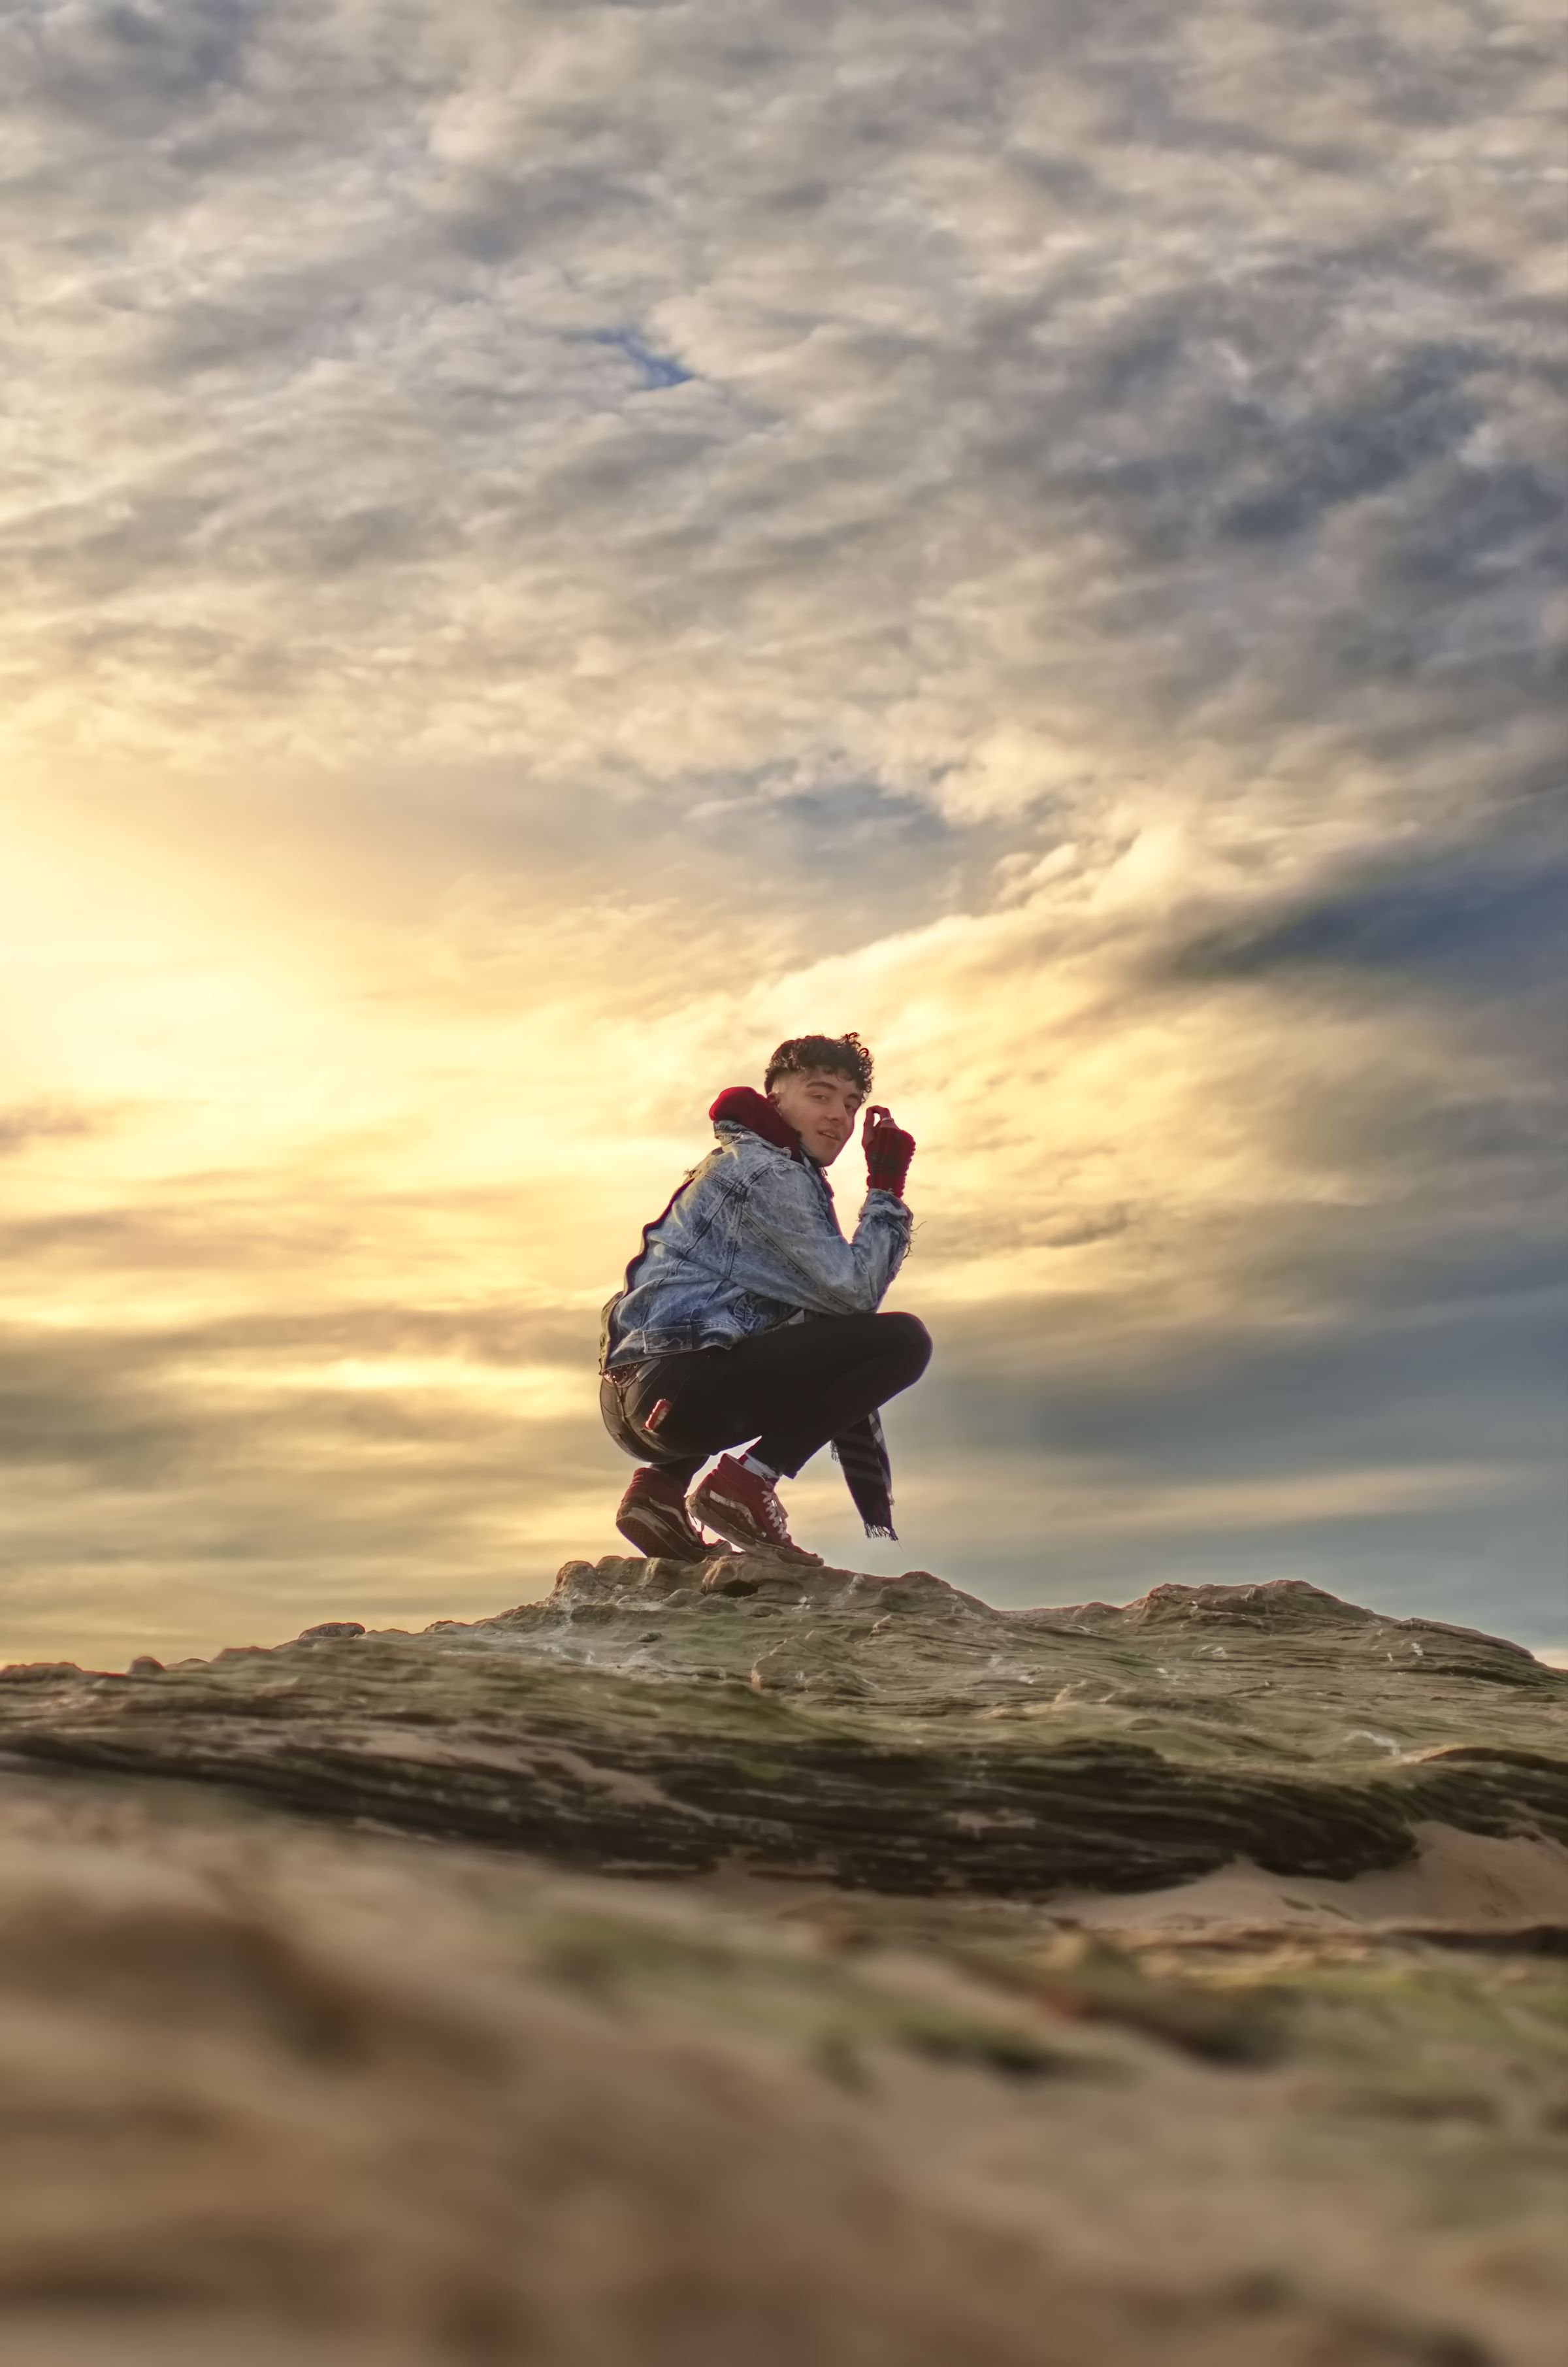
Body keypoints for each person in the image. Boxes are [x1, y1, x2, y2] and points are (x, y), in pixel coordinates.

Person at [598, 1032, 930, 1563]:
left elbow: (819, 1316)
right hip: (676, 1390)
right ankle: (747, 1486)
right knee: (902, 1342)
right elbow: (853, 1295)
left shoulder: (757, 1163)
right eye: (819, 1095)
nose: (838, 1118)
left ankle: (660, 1493)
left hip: (641, 1401)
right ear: (776, 1099)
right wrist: (886, 1187)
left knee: (787, 1330)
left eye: (850, 1104)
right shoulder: (768, 1171)